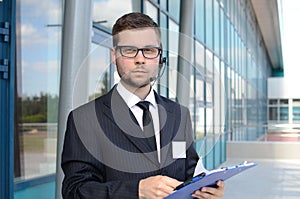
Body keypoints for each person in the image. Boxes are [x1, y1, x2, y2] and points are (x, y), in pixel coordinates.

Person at [61, 12, 225, 199]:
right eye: (130, 50)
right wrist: (136, 190)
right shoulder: (85, 119)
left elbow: (190, 172)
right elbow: (75, 192)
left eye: (149, 50)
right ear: (114, 56)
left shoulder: (179, 114)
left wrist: (207, 188)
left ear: (159, 56)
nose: (140, 59)